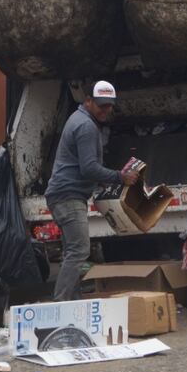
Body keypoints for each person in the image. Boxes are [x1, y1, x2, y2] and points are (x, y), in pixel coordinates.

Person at [45, 80, 139, 301]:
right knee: (79, 251)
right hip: (68, 196)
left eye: (109, 106)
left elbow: (82, 167)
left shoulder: (79, 119)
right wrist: (119, 176)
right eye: (101, 105)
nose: (107, 110)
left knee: (73, 252)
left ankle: (72, 302)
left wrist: (105, 181)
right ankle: (60, 303)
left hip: (62, 195)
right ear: (88, 101)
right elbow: (88, 168)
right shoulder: (86, 126)